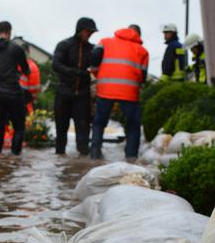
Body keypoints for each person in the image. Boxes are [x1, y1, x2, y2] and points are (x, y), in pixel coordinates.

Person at [90, 25, 149, 161]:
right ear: (138, 35)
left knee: (99, 123)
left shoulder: (105, 42)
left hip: (106, 89)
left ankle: (94, 155)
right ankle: (131, 158)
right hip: (129, 92)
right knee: (133, 125)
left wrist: (96, 72)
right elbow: (143, 76)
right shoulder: (142, 51)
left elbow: (94, 57)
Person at [52, 17, 97, 156]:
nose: (89, 34)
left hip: (82, 96)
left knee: (83, 131)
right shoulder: (64, 45)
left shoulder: (93, 49)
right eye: (87, 31)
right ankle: (60, 159)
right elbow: (56, 65)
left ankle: (82, 164)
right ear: (79, 30)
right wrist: (76, 72)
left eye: (92, 32)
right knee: (61, 130)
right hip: (64, 93)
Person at [0, 21, 29, 155]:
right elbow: (26, 69)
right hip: (14, 93)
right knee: (19, 127)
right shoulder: (16, 49)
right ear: (10, 31)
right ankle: (15, 158)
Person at [19, 43, 41, 116]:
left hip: (22, 106)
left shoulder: (18, 66)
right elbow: (35, 89)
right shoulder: (34, 66)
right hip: (29, 106)